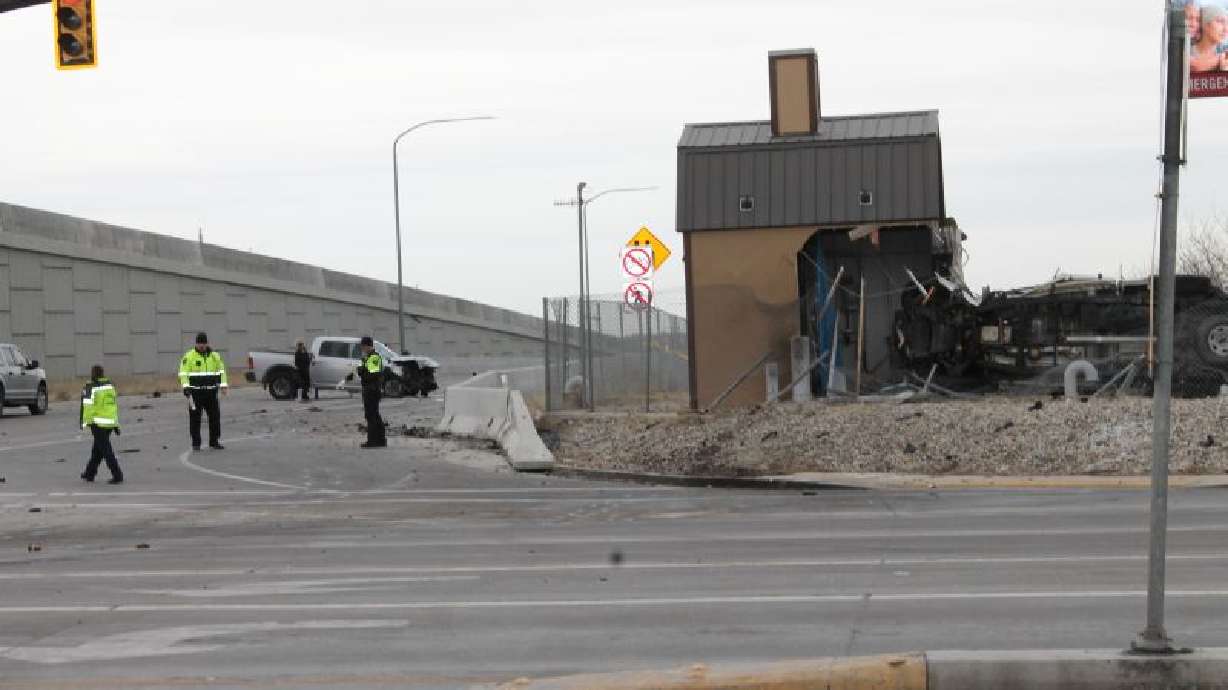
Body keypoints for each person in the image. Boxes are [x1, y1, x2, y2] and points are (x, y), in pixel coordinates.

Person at [178, 332, 228, 450]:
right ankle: (196, 443)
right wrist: (185, 387)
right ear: (196, 343)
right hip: (195, 394)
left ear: (207, 343)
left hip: (211, 393)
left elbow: (222, 371)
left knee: (215, 417)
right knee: (195, 419)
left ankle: (214, 441)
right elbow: (183, 373)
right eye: (199, 343)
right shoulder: (189, 356)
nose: (201, 345)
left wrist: (224, 385)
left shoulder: (215, 356)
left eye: (203, 343)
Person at [80, 365, 123, 484]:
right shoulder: (110, 385)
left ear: (93, 373)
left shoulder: (90, 386)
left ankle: (117, 474)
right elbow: (112, 405)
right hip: (110, 422)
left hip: (98, 422)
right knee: (97, 450)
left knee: (105, 450)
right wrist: (115, 424)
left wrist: (87, 423)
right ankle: (90, 473)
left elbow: (87, 407)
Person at [355, 336, 386, 448]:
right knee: (375, 415)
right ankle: (381, 440)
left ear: (368, 346)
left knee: (371, 416)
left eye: (363, 346)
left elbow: (371, 376)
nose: (362, 348)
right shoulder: (368, 357)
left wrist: (361, 371)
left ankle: (373, 441)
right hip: (371, 389)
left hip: (372, 390)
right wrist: (361, 369)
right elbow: (363, 371)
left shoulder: (373, 357)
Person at [1191, 4, 1228, 73]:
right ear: (1205, 25)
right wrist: (1219, 59)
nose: (1226, 29)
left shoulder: (1224, 51)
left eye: (1227, 24)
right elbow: (1195, 67)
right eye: (1220, 21)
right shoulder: (1186, 51)